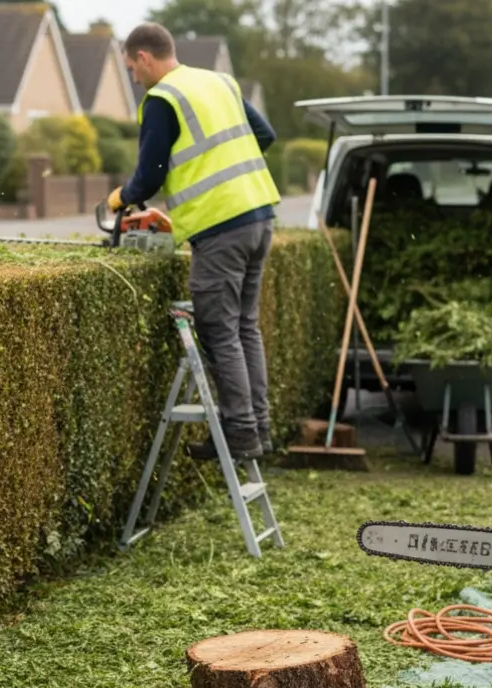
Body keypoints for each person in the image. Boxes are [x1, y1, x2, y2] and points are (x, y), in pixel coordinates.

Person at [109, 22, 281, 461]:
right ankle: (259, 427)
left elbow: (150, 175)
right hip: (260, 214)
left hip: (220, 227)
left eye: (131, 69)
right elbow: (265, 135)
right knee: (245, 327)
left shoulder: (163, 99)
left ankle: (240, 432)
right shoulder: (219, 82)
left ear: (144, 57)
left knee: (219, 330)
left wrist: (122, 197)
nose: (134, 78)